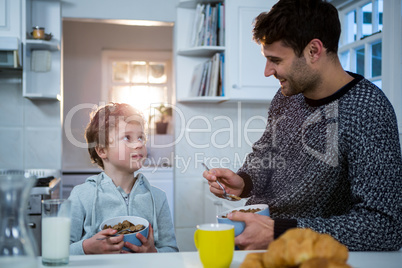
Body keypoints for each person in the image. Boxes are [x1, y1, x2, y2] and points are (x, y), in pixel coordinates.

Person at [203, 0, 402, 251]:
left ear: (313, 51)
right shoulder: (287, 97)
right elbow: (266, 153)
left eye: (275, 60)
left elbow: (384, 227)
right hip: (260, 243)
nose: (267, 71)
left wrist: (281, 233)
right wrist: (244, 182)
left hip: (308, 254)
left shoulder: (368, 110)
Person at [69, 102, 178, 254]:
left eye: (141, 138)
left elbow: (172, 250)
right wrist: (86, 248)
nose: (139, 144)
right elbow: (59, 250)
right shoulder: (81, 195)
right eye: (127, 138)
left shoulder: (158, 198)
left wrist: (153, 253)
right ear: (102, 150)